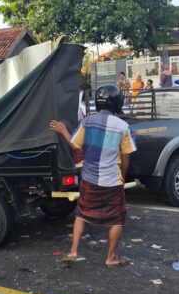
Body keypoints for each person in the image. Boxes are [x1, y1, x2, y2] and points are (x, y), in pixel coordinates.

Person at [50, 85, 137, 268]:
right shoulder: (123, 127)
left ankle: (73, 251)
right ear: (117, 103)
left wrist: (64, 130)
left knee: (81, 215)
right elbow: (126, 157)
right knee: (117, 219)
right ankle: (111, 258)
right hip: (112, 181)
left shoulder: (87, 121)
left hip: (89, 180)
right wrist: (122, 177)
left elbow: (75, 145)